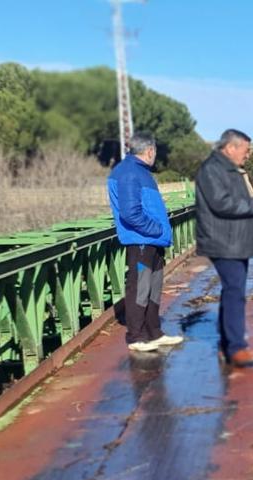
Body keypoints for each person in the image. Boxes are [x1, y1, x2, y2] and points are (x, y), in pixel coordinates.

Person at [195, 129, 253, 368]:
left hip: (234, 239)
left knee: (232, 290)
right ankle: (236, 348)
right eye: (245, 150)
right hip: (224, 240)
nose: (247, 155)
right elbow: (222, 204)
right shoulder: (213, 169)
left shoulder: (227, 169)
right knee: (235, 291)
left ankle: (227, 344)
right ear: (230, 147)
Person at [107, 131, 184, 353]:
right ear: (149, 151)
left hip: (152, 240)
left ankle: (154, 333)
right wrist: (156, 228)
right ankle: (136, 336)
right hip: (141, 240)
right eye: (155, 152)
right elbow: (131, 214)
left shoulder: (139, 172)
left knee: (153, 287)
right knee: (140, 288)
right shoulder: (129, 173)